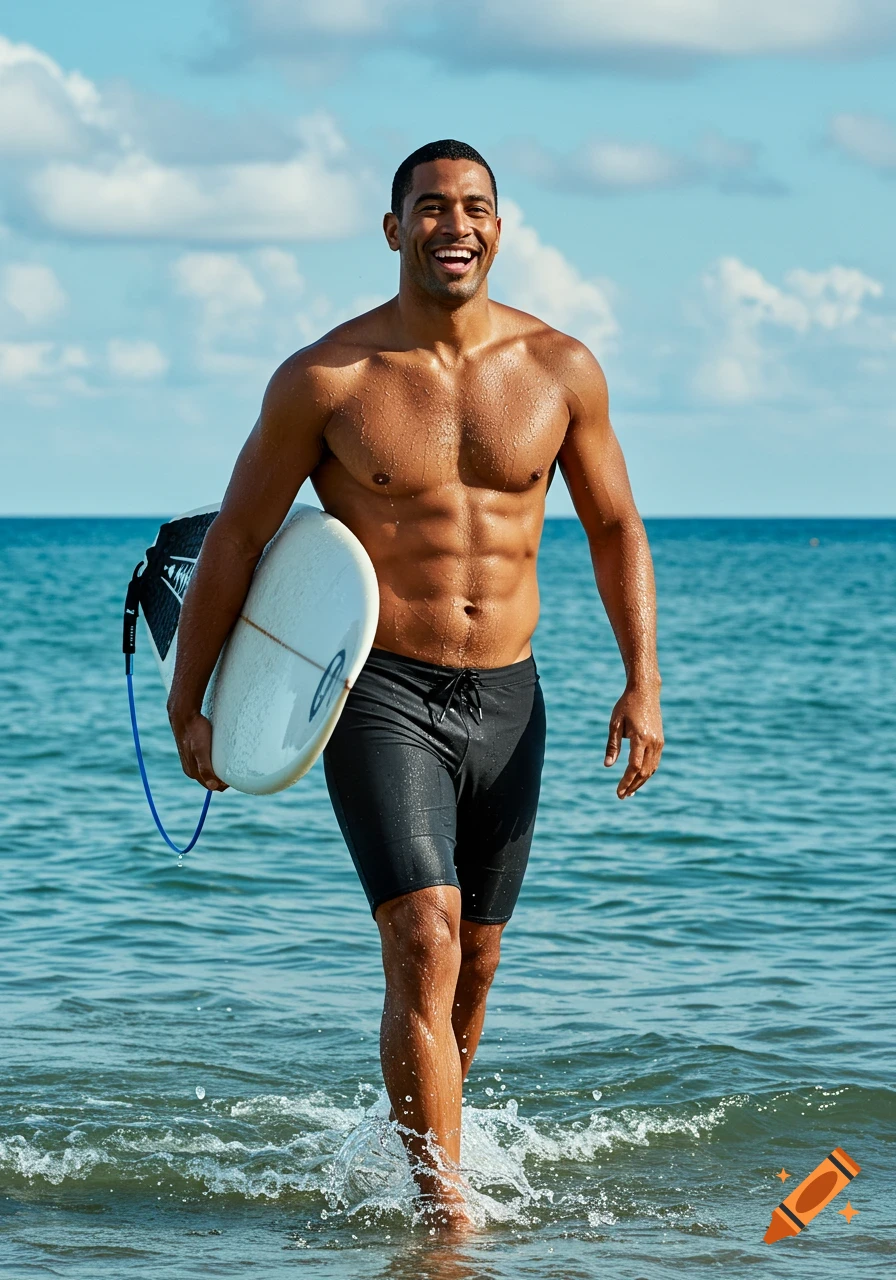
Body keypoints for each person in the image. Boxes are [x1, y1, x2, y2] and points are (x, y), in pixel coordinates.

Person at [167, 139, 664, 1225]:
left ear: (500, 224)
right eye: (430, 207)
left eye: (475, 206)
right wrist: (190, 698)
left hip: (509, 697)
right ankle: (445, 1216)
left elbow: (615, 524)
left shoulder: (559, 369)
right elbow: (242, 536)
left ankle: (421, 1148)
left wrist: (642, 679)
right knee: (422, 934)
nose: (455, 224)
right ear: (392, 229)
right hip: (380, 690)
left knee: (473, 966)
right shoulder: (326, 378)